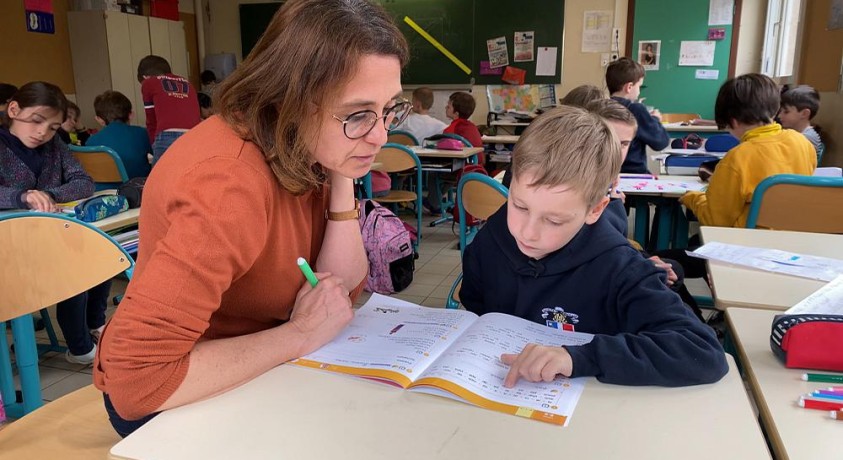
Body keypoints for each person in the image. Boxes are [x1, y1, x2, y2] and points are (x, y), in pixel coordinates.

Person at [94, 0, 410, 437]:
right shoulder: (228, 183)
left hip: (261, 365)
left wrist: (343, 175)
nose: (381, 135)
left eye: (389, 108)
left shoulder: (306, 144)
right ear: (289, 99)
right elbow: (138, 381)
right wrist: (299, 334)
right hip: (178, 395)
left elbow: (337, 291)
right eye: (358, 114)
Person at [460, 105, 727, 387]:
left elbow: (703, 352)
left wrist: (578, 358)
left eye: (553, 220)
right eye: (519, 206)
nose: (527, 232)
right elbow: (476, 306)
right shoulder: (489, 241)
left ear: (596, 209)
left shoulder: (621, 268)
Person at [0, 81, 105, 364]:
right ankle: (80, 345)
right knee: (74, 266)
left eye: (53, 127)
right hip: (11, 245)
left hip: (53, 235)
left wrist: (49, 194)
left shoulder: (54, 147)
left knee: (102, 253)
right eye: (36, 121)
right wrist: (22, 196)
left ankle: (95, 326)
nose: (42, 132)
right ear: (13, 109)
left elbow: (84, 182)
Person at [587, 98, 703, 320]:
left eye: (624, 144)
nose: (614, 151)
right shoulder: (580, 183)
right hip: (605, 278)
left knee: (673, 272)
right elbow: (595, 246)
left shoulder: (608, 179)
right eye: (607, 140)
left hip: (620, 262)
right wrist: (639, 263)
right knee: (670, 279)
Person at [681, 73, 816, 228]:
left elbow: (716, 221)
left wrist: (692, 198)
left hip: (746, 246)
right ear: (775, 109)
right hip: (794, 242)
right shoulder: (802, 143)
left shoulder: (738, 157)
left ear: (733, 121)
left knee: (670, 251)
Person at [606, 57, 669, 174]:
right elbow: (660, 142)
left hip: (605, 176)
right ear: (629, 87)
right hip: (634, 174)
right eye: (639, 86)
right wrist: (655, 119)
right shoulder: (636, 109)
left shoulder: (600, 107)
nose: (639, 91)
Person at [137, 55, 201, 164]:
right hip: (194, 136)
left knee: (160, 178)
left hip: (167, 136)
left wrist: (154, 145)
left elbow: (151, 120)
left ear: (145, 77)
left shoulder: (149, 83)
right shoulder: (187, 83)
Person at [87, 90, 152, 179]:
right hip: (137, 188)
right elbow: (159, 157)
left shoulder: (91, 142)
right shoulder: (142, 133)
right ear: (131, 115)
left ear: (99, 120)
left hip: (103, 190)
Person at [778, 85, 824, 162]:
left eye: (786, 112)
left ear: (804, 114)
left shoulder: (807, 138)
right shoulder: (795, 133)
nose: (779, 115)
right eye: (780, 111)